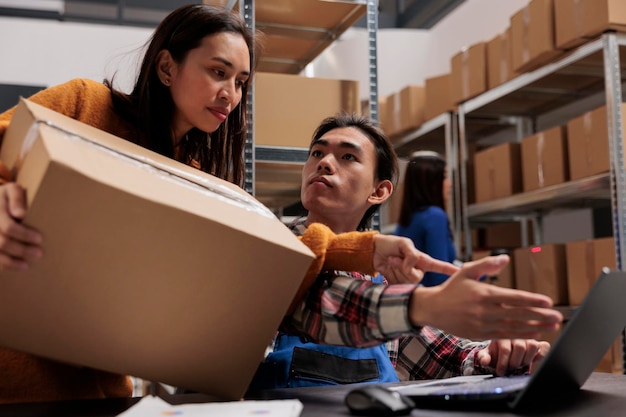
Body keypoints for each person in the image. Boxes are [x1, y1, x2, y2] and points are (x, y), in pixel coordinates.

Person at [0, 4, 487, 404]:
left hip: (98, 386)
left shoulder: (196, 177)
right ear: (167, 67)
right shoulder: (87, 106)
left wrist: (364, 251)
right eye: (218, 72)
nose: (230, 94)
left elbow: (269, 258)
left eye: (240, 82)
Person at [248, 113, 555, 391]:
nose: (325, 162)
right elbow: (331, 302)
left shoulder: (380, 278)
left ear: (379, 191)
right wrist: (426, 304)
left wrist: (493, 355)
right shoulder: (270, 249)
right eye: (317, 152)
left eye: (347, 156)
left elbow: (437, 352)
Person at [394, 151, 456, 286]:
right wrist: (482, 273)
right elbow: (440, 277)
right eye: (444, 176)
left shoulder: (407, 220)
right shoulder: (434, 216)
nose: (449, 183)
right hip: (435, 302)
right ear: (431, 182)